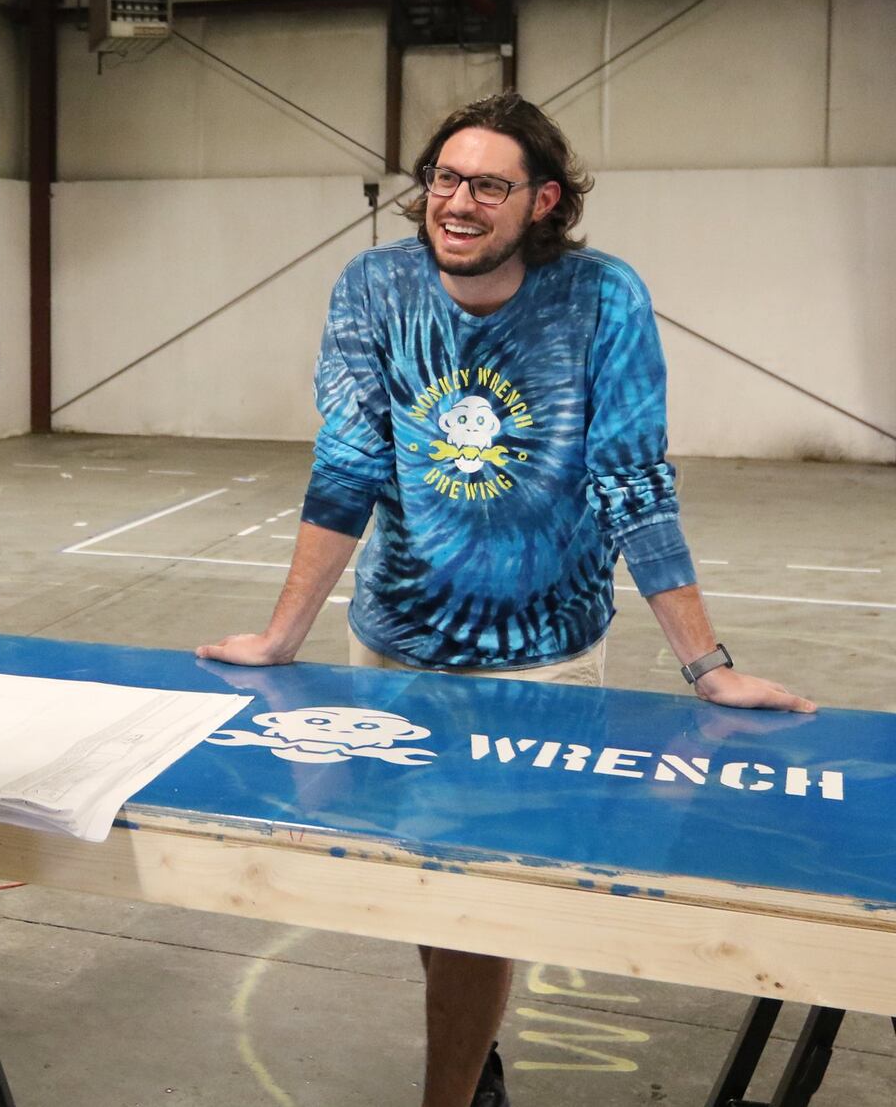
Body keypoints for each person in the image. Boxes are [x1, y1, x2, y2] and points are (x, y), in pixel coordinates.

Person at [197, 91, 814, 1107]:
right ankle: (472, 1053)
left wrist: (707, 666)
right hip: (394, 642)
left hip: (544, 659)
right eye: (444, 178)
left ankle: (451, 1091)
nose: (458, 201)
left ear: (543, 200)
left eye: (489, 183)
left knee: (480, 889)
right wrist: (281, 634)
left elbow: (630, 480)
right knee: (430, 886)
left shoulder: (600, 298)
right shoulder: (373, 286)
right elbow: (347, 459)